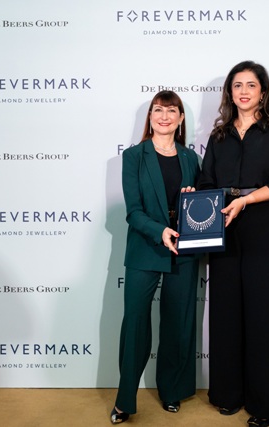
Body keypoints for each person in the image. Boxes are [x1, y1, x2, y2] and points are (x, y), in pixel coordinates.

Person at [197, 61, 269, 427]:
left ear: (263, 92)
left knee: (265, 315)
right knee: (226, 312)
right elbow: (207, 180)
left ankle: (266, 403)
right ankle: (228, 394)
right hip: (224, 226)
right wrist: (198, 196)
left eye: (251, 85)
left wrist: (246, 200)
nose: (243, 91)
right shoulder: (219, 135)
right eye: (237, 85)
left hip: (265, 226)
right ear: (229, 92)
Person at [111, 90, 201, 424]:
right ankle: (124, 401)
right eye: (158, 110)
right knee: (135, 324)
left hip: (184, 249)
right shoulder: (134, 156)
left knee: (178, 321)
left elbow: (200, 205)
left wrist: (194, 197)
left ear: (180, 119)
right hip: (146, 246)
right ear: (150, 117)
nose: (164, 116)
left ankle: (172, 391)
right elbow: (133, 211)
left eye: (171, 110)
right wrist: (159, 231)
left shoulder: (190, 159)